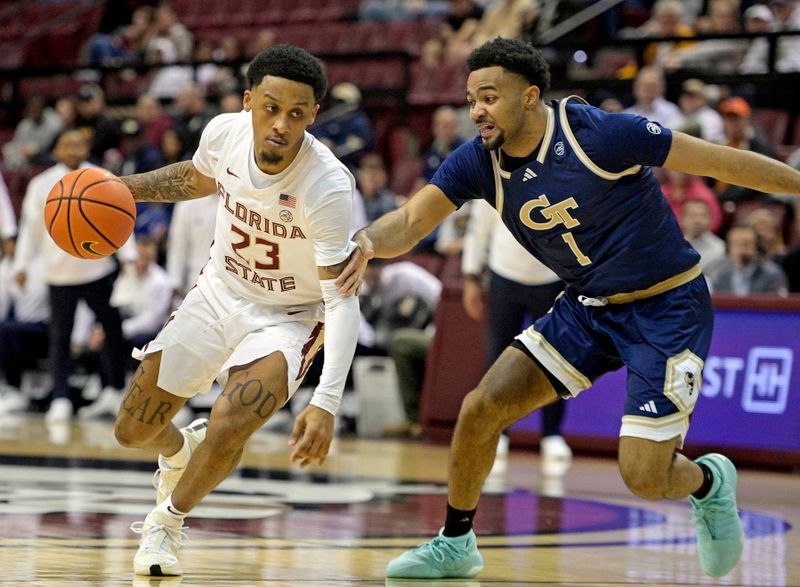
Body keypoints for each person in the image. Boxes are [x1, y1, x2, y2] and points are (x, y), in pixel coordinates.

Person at [335, 38, 800, 580]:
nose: (477, 110)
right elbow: (412, 222)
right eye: (470, 99)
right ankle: (456, 542)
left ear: (530, 97)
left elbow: (725, 163)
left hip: (667, 308)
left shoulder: (601, 134)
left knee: (645, 476)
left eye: (489, 96)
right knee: (480, 409)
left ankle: (710, 483)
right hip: (585, 307)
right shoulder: (478, 162)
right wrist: (364, 243)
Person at [109, 45, 361, 577]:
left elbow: (341, 299)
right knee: (132, 429)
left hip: (289, 316)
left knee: (233, 418)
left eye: (297, 113)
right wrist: (121, 190)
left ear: (314, 114)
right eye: (270, 107)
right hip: (218, 292)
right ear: (249, 102)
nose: (281, 124)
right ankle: (180, 452)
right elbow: (199, 178)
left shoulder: (329, 186)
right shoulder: (224, 132)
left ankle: (166, 523)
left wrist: (328, 401)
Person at [12, 129, 133, 423]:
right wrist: (21, 264)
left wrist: (127, 255)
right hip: (59, 273)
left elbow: (118, 217)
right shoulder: (41, 184)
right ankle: (61, 398)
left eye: (78, 143)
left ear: (86, 147)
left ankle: (114, 390)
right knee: (60, 338)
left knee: (111, 332)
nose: (73, 149)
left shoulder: (102, 177)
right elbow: (30, 228)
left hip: (97, 269)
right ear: (56, 150)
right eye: (67, 144)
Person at [461, 200, 570, 477]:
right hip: (504, 274)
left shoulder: (559, 164)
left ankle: (552, 434)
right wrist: (472, 275)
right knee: (498, 358)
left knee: (555, 359)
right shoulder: (494, 167)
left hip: (553, 275)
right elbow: (478, 228)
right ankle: (498, 433)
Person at [712, 224, 789, 296]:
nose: (742, 249)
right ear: (728, 249)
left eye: (747, 244)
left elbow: (776, 305)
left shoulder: (772, 274)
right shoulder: (721, 276)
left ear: (757, 247)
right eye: (737, 244)